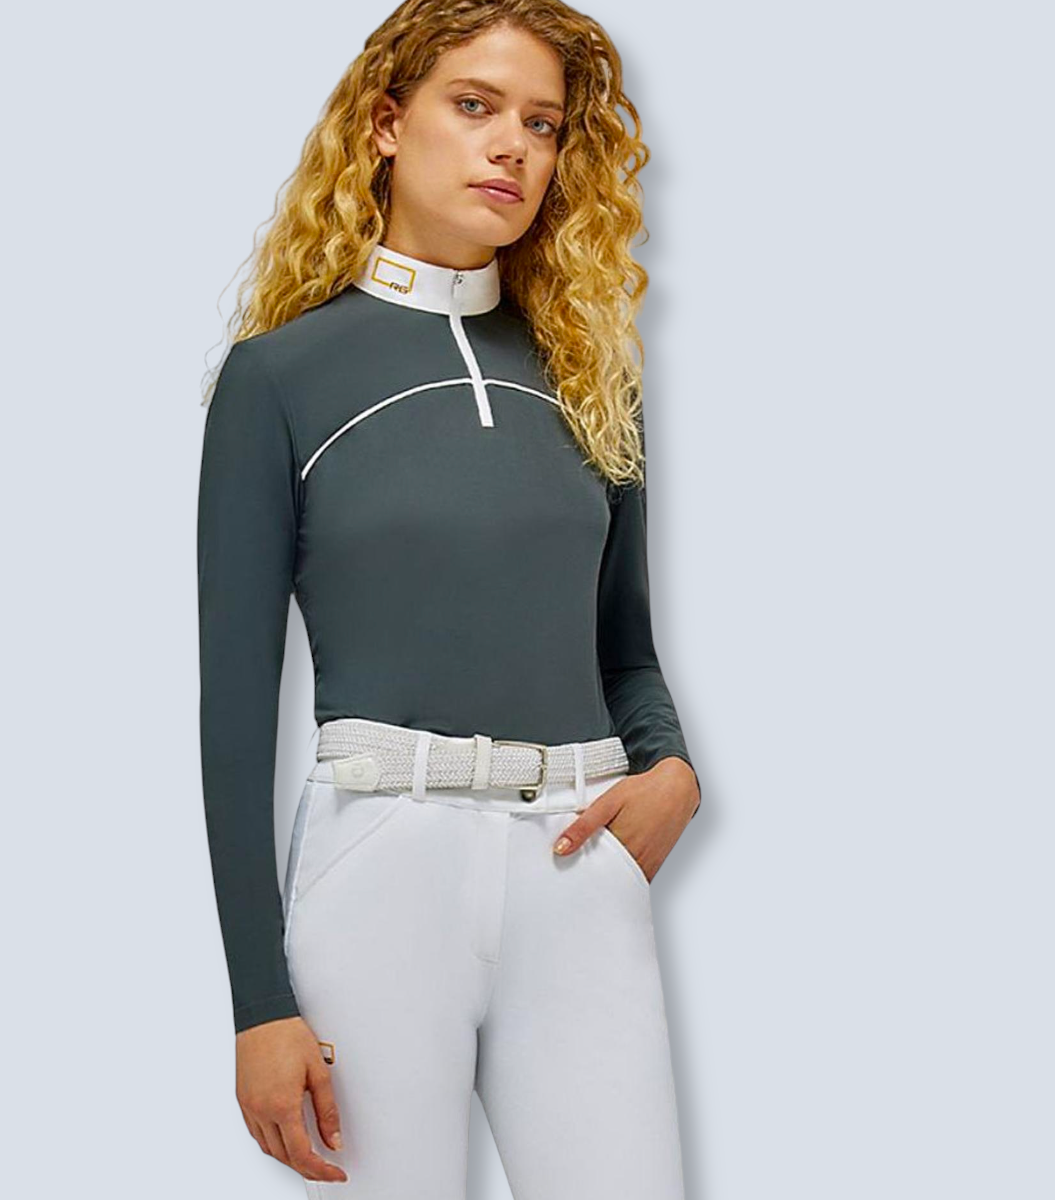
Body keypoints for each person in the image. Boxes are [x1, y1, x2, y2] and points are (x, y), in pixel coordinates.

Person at [196, 1, 702, 1195]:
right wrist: (258, 1003)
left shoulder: (592, 375)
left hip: (578, 861)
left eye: (543, 123)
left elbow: (624, 645)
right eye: (474, 106)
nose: (511, 145)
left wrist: (672, 766)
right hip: (381, 858)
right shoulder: (280, 380)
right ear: (385, 123)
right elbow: (236, 713)